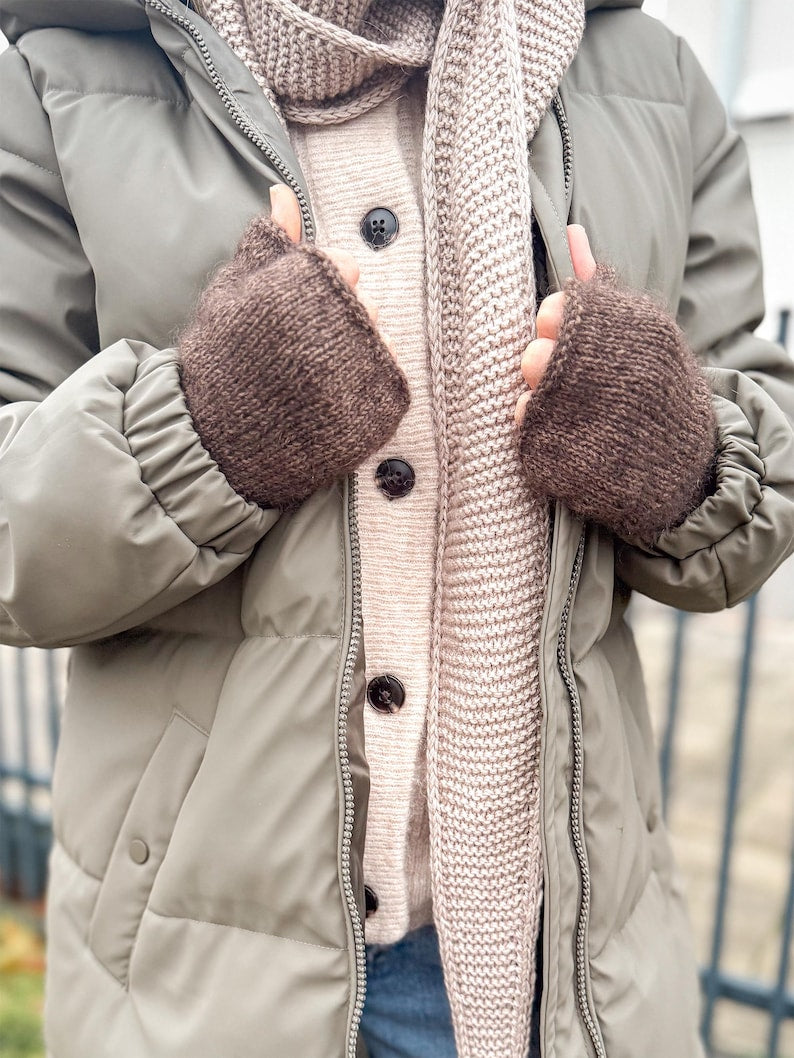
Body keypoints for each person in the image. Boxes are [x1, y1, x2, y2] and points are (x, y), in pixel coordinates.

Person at [0, 0, 793, 1056]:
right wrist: (202, 431)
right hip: (201, 980)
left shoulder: (647, 78)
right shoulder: (60, 79)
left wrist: (676, 450)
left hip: (561, 967)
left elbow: (760, 478)